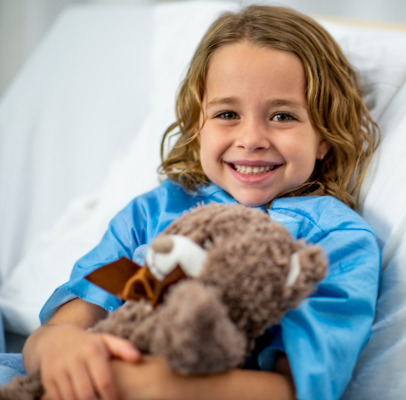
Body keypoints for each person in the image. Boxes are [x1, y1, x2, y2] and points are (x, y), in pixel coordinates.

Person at [21, 5, 380, 400]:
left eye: (282, 116)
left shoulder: (337, 241)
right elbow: (65, 324)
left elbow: (296, 388)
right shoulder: (154, 211)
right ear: (198, 126)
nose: (251, 138)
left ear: (325, 134)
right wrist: (54, 346)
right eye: (227, 113)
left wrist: (157, 386)